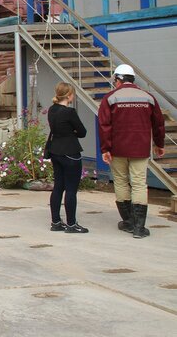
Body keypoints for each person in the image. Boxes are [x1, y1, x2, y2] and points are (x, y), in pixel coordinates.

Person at [98, 64, 165, 239]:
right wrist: (159, 144)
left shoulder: (110, 98)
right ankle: (139, 228)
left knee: (120, 182)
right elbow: (158, 124)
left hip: (117, 149)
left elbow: (104, 126)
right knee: (139, 183)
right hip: (141, 149)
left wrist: (105, 148)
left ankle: (127, 222)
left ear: (118, 79)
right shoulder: (148, 98)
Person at [47, 83, 89, 234]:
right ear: (69, 95)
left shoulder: (52, 110)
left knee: (58, 186)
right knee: (71, 189)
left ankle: (56, 221)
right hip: (70, 151)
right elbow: (83, 132)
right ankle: (71, 224)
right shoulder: (69, 112)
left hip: (55, 150)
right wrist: (72, 133)